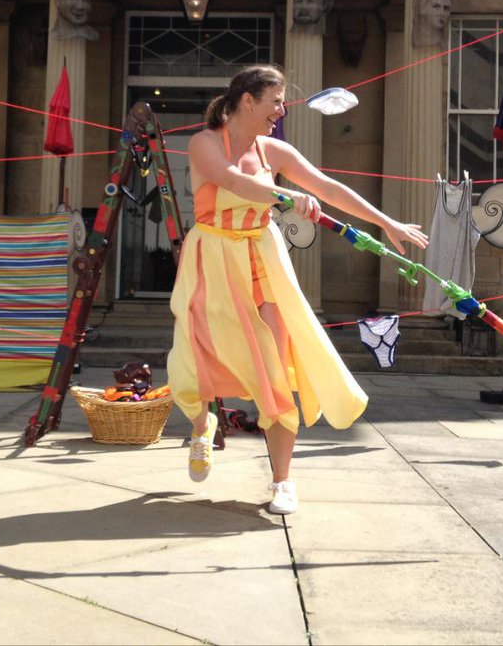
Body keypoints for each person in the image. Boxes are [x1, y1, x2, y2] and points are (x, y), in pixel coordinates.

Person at [166, 64, 428, 515]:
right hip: (212, 262)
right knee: (198, 357)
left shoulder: (274, 150)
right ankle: (202, 423)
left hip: (261, 261)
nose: (281, 111)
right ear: (247, 101)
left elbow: (327, 187)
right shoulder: (204, 143)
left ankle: (283, 481)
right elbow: (232, 181)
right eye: (276, 102)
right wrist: (285, 197)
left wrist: (386, 222)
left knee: (276, 369)